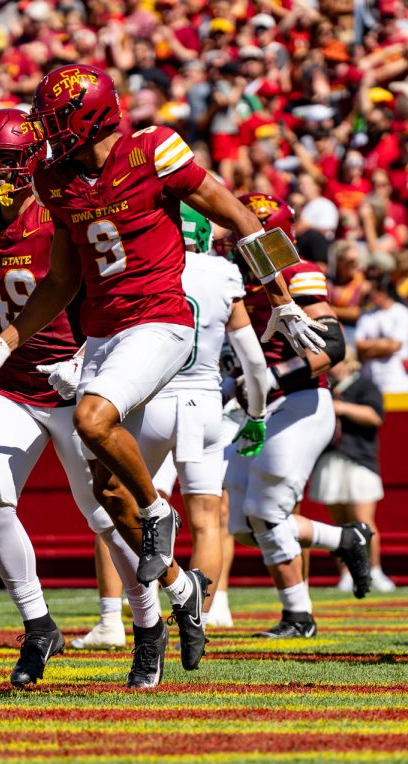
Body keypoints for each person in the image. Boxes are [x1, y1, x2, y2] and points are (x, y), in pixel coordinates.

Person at [0, 66, 323, 660]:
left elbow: (242, 216)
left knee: (92, 421)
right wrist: (8, 340)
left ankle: (159, 513)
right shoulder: (53, 178)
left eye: (54, 120)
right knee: (106, 495)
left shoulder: (155, 148)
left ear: (87, 118)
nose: (45, 133)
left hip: (161, 317)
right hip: (103, 332)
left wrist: (280, 298)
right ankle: (176, 596)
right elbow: (65, 278)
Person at [0, 107, 166, 688]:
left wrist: (87, 359)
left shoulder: (58, 209)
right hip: (11, 382)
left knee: (104, 513)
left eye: (3, 160)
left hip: (73, 378)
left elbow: (92, 288)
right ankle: (38, 623)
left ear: (30, 164)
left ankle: (148, 628)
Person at [71, 202, 272, 660]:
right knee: (206, 520)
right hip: (204, 404)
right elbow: (254, 362)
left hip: (151, 399)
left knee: (120, 505)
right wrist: (257, 414)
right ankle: (199, 613)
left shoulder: (145, 265)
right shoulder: (221, 272)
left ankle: (115, 618)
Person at [223, 193, 372, 638]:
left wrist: (270, 377)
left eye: (251, 236)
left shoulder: (297, 274)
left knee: (265, 511)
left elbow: (332, 348)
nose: (240, 245)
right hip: (250, 403)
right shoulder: (231, 276)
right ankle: (345, 539)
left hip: (299, 399)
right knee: (242, 524)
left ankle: (299, 617)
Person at [308, 351, 396, 593]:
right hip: (329, 458)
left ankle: (374, 570)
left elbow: (374, 416)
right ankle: (346, 573)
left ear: (348, 363)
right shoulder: (323, 388)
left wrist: (342, 408)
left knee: (363, 521)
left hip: (359, 459)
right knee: (339, 525)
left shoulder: (364, 386)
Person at [354, 273, 408, 394]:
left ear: (384, 291)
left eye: (375, 291)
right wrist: (384, 344)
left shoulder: (402, 312)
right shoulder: (366, 315)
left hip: (397, 381)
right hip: (371, 380)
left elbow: (395, 345)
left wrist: (369, 351)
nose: (372, 295)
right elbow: (358, 345)